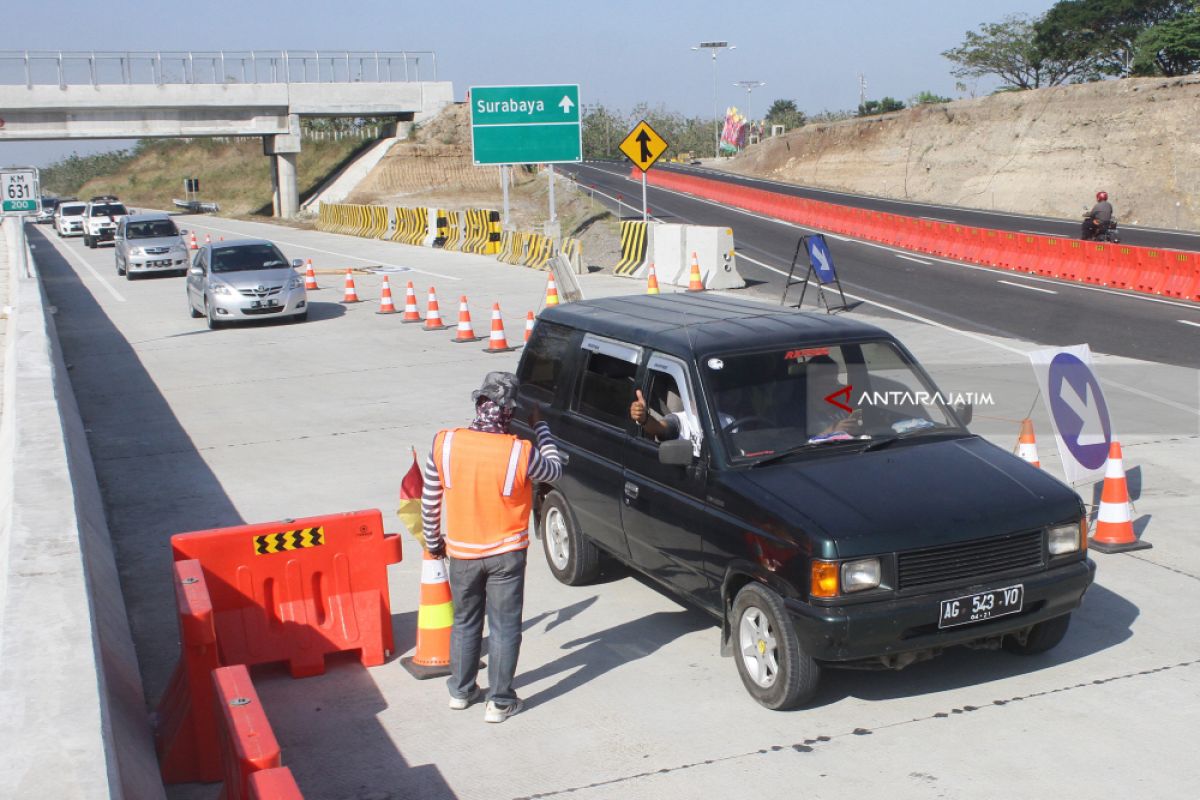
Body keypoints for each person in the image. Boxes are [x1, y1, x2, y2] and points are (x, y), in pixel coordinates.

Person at [421, 371, 562, 723]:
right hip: (506, 554)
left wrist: (433, 541)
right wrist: (541, 427)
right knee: (503, 627)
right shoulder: (520, 451)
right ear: (510, 412)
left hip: (463, 553)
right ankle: (499, 702)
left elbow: (430, 500)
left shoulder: (445, 442)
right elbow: (556, 471)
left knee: (466, 623)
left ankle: (461, 691)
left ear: (479, 402)